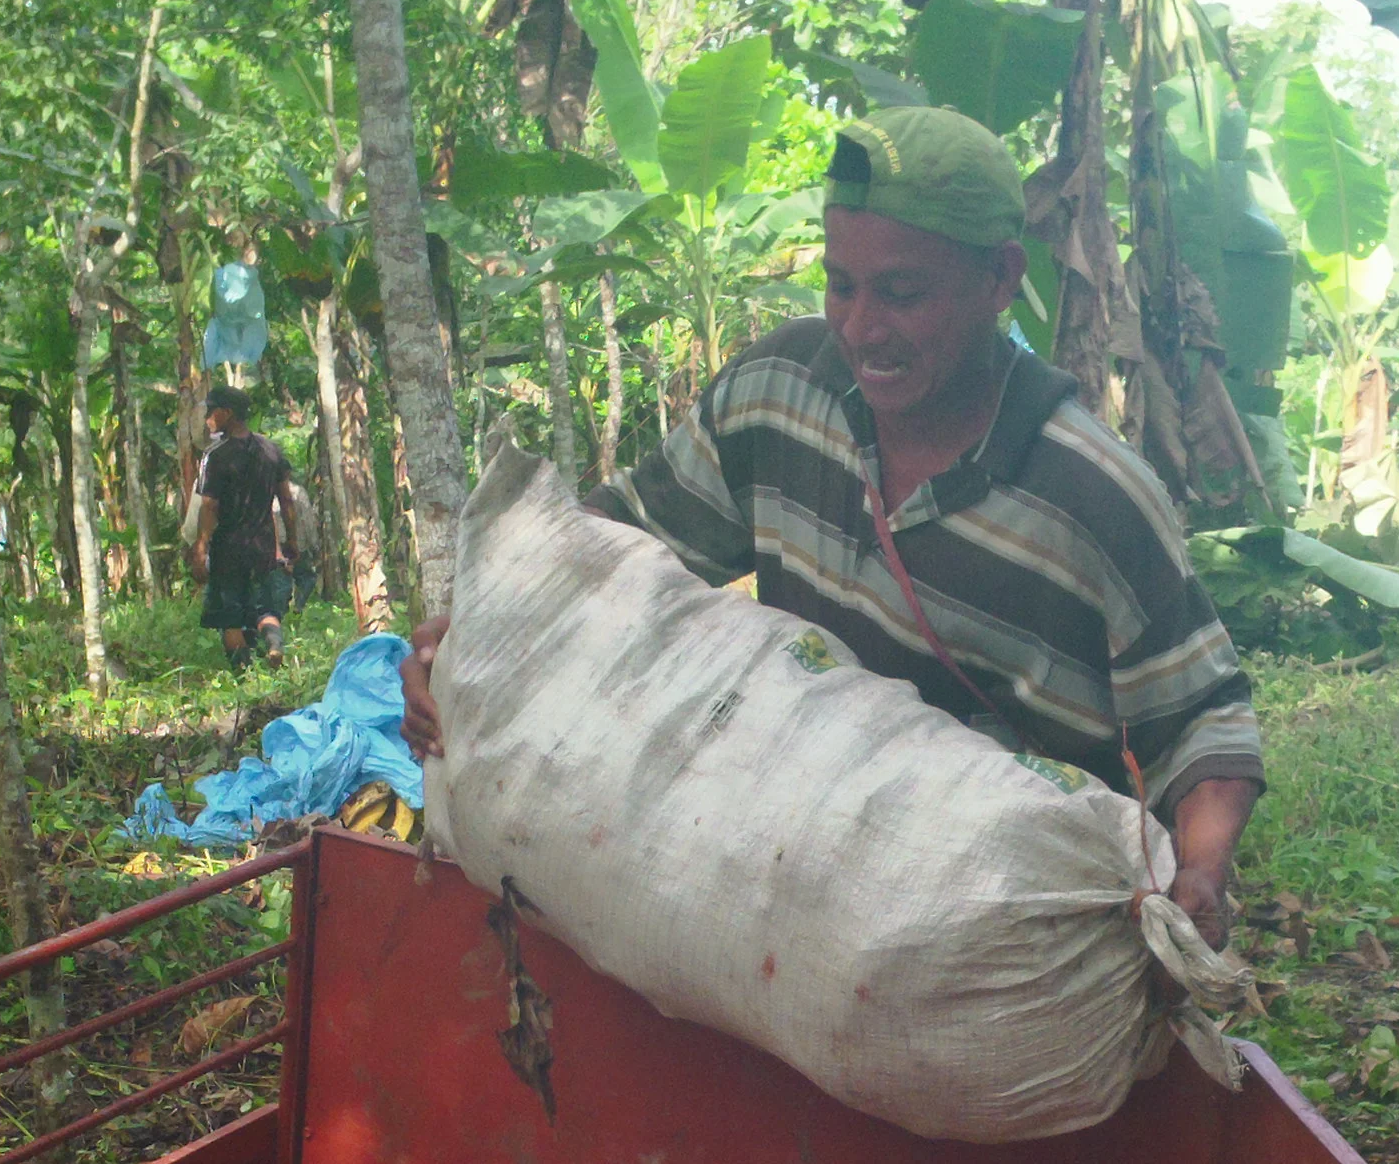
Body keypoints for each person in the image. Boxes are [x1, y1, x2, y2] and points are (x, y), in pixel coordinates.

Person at [402, 106, 1262, 942]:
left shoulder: (1094, 494)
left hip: (992, 909)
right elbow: (606, 549)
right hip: (790, 859)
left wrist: (1200, 869)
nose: (860, 327)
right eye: (841, 285)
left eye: (902, 294)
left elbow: (1204, 722)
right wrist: (478, 633)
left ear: (1000, 278)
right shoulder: (779, 390)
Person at [187, 384, 303, 673]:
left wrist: (201, 547)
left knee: (231, 618)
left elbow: (209, 506)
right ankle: (274, 644)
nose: (208, 419)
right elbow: (286, 500)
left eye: (211, 411)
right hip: (263, 545)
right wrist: (292, 541)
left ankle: (244, 674)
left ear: (227, 413)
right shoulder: (271, 450)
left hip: (228, 548)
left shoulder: (216, 455)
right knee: (265, 609)